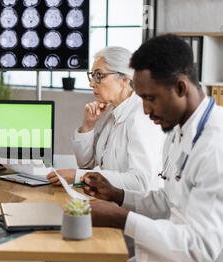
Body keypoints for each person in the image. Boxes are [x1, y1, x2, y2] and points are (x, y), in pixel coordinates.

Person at [45, 34, 223, 262]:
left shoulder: (214, 145)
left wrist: (120, 217)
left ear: (181, 88)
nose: (145, 109)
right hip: (166, 254)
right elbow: (167, 199)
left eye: (150, 98)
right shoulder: (178, 130)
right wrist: (118, 195)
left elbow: (199, 247)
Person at [47, 47, 164, 191]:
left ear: (125, 79)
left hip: (133, 210)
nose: (91, 83)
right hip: (111, 202)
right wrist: (88, 125)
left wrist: (78, 176)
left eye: (99, 75)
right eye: (92, 75)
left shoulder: (142, 116)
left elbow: (140, 182)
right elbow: (85, 164)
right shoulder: (112, 112)